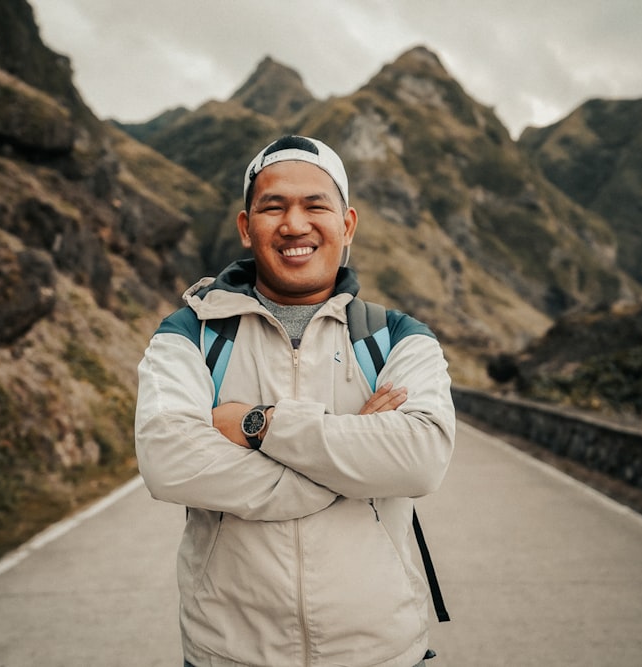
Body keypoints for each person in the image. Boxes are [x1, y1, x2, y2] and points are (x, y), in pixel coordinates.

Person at [135, 135, 456, 667]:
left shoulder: (398, 336)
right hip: (230, 654)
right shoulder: (190, 333)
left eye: (315, 206)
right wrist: (343, 460)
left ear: (347, 224)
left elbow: (421, 459)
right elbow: (167, 461)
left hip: (382, 655)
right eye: (273, 206)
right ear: (246, 226)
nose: (294, 225)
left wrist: (260, 426)